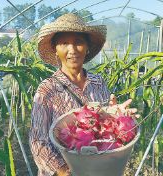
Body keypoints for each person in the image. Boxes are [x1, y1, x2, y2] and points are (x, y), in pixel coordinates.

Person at [29, 14, 138, 176]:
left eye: (78, 41)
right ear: (55, 48)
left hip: (99, 169)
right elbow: (38, 142)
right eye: (64, 43)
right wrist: (64, 171)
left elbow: (105, 124)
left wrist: (117, 115)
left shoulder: (98, 82)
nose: (72, 50)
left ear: (87, 46)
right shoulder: (47, 90)